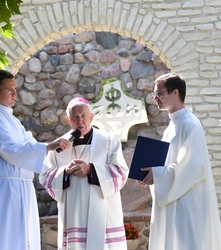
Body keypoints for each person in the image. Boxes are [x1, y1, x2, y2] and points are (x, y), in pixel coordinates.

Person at [0, 69, 71, 250]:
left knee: (25, 238)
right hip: (6, 188)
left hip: (23, 186)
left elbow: (26, 146)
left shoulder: (13, 121)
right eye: (9, 90)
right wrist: (48, 146)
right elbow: (11, 149)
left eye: (15, 89)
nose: (14, 94)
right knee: (6, 239)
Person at [139, 72, 221, 250]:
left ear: (175, 93)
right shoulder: (173, 124)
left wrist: (158, 175)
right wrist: (150, 173)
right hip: (175, 198)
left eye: (159, 93)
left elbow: (194, 167)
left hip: (188, 202)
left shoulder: (190, 124)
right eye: (155, 94)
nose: (155, 98)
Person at [39, 97, 129, 250]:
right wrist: (65, 172)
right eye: (75, 117)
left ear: (91, 117)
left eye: (83, 116)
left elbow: (121, 173)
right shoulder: (59, 145)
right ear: (68, 120)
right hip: (73, 213)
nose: (80, 120)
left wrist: (91, 170)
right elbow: (45, 176)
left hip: (103, 212)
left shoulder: (108, 141)